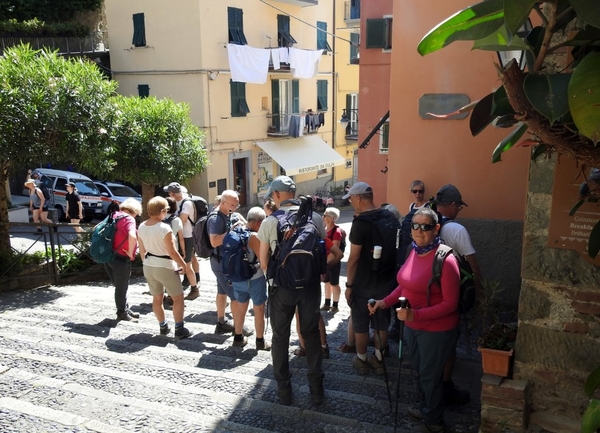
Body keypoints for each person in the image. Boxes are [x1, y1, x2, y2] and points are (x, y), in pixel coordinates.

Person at [369, 207, 460, 433]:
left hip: (436, 330)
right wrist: (384, 302)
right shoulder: (414, 250)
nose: (419, 231)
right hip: (412, 327)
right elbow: (405, 285)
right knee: (421, 371)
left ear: (436, 228)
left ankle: (434, 421)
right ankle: (427, 408)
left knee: (430, 375)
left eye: (426, 226)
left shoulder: (446, 260)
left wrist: (415, 315)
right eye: (415, 226)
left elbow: (451, 304)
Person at [258, 175, 326, 406]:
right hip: (309, 287)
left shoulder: (270, 221)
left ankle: (284, 391)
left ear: (276, 196)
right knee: (311, 335)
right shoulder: (315, 218)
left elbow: (264, 261)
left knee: (280, 337)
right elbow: (322, 251)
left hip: (282, 288)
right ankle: (317, 391)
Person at [343, 182, 399, 376]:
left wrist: (349, 285)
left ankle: (361, 359)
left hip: (363, 283)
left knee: (360, 322)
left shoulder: (360, 224)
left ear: (358, 198)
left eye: (351, 199)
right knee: (381, 323)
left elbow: (353, 258)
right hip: (386, 280)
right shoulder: (389, 216)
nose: (351, 202)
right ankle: (379, 359)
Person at [435, 184, 483, 405]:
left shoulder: (427, 224)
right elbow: (472, 264)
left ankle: (430, 384)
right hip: (450, 292)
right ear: (452, 205)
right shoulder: (457, 230)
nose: (459, 211)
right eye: (459, 207)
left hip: (429, 291)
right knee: (449, 339)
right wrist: (478, 289)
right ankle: (445, 386)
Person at [137, 196, 191, 338]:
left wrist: (146, 263)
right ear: (161, 211)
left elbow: (142, 251)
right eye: (166, 210)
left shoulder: (142, 226)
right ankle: (179, 329)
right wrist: (183, 265)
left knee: (156, 299)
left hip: (149, 265)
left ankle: (163, 326)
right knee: (178, 298)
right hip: (165, 265)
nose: (167, 212)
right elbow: (172, 252)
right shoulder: (164, 228)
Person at [207, 189, 251, 336]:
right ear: (223, 202)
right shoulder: (216, 219)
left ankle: (221, 322)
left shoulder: (227, 214)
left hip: (222, 262)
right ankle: (238, 328)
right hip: (222, 263)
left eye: (237, 203)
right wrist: (232, 231)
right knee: (235, 296)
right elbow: (214, 241)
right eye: (234, 203)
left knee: (221, 292)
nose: (237, 205)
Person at [295, 234, 343, 358]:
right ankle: (323, 347)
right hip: (313, 279)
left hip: (295, 280)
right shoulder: (317, 233)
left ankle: (304, 347)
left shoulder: (291, 233)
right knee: (316, 313)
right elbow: (339, 254)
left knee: (298, 313)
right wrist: (324, 268)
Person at [230, 206, 271, 350]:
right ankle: (260, 342)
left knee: (241, 308)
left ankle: (238, 337)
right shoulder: (254, 237)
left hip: (237, 278)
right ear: (259, 223)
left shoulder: (234, 231)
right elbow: (263, 261)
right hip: (254, 279)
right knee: (259, 309)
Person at [103, 198, 143, 322]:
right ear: (134, 210)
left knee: (119, 286)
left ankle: (125, 308)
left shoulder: (114, 215)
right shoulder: (129, 218)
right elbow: (132, 236)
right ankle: (121, 313)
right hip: (121, 257)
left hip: (108, 256)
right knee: (121, 287)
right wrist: (131, 253)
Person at [163, 182, 200, 300]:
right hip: (179, 237)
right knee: (180, 264)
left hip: (187, 237)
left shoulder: (187, 203)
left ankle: (194, 288)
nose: (168, 194)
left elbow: (182, 221)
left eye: (169, 192)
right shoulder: (175, 203)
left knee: (187, 264)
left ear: (173, 193)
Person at [321, 207, 344, 313]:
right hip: (325, 261)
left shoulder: (337, 231)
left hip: (333, 262)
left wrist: (327, 262)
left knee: (334, 283)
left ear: (331, 218)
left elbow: (335, 249)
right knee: (326, 282)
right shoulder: (325, 229)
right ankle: (327, 303)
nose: (323, 217)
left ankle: (335, 304)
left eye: (325, 215)